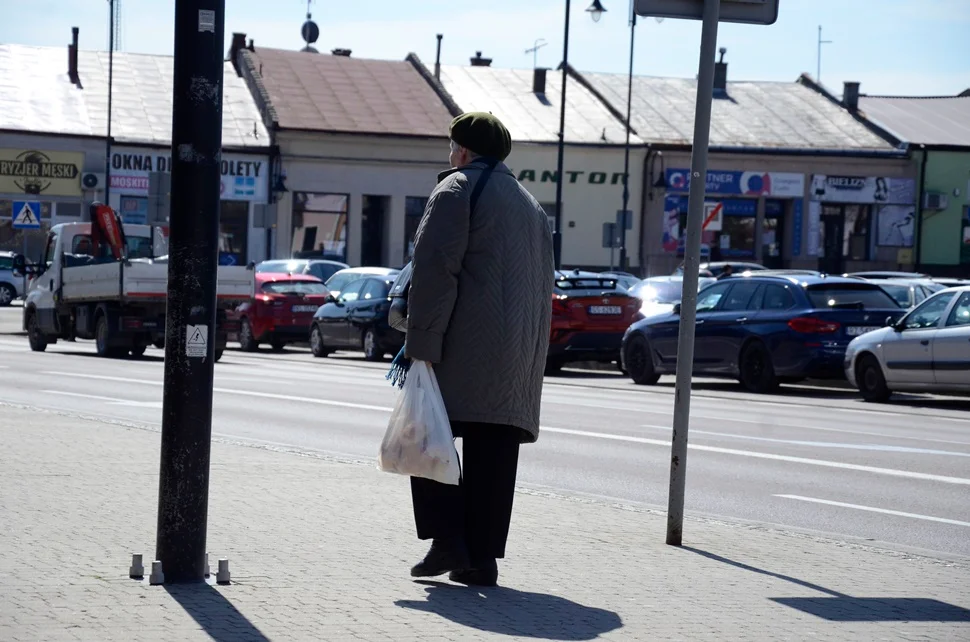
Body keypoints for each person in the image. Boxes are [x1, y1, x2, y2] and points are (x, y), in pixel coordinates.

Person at [398, 112, 553, 587]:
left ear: (462, 150)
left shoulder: (456, 190)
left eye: (451, 147)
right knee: (494, 455)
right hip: (517, 356)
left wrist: (420, 344)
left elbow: (435, 270)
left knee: (425, 436)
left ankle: (446, 540)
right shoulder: (531, 205)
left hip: (463, 345)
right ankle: (481, 561)